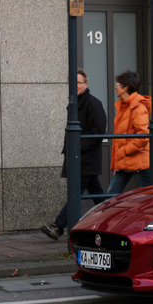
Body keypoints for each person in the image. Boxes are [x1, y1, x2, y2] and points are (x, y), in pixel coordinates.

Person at [41, 69, 107, 240]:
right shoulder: (73, 104)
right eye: (73, 83)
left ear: (86, 84)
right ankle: (109, 218)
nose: (76, 86)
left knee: (76, 193)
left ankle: (58, 226)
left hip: (86, 159)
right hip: (77, 157)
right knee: (97, 194)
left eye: (79, 83)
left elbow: (98, 132)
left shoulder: (93, 104)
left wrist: (79, 147)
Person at [107, 70, 152, 194]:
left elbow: (143, 137)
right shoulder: (123, 106)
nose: (115, 87)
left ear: (125, 87)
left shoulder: (138, 107)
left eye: (117, 84)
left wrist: (123, 151)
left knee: (150, 198)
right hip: (125, 162)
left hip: (138, 163)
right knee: (111, 197)